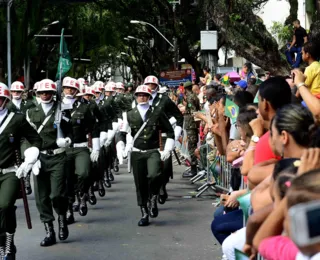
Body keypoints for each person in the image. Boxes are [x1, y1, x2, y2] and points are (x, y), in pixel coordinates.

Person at [26, 79, 73, 247]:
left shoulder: (62, 110)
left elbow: (70, 132)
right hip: (39, 157)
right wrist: (29, 155)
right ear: (37, 94)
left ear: (54, 94)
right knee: (41, 197)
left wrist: (66, 140)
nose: (45, 95)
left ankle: (61, 216)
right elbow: (26, 137)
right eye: (42, 92)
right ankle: (49, 230)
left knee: (57, 194)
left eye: (48, 92)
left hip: (58, 156)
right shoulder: (31, 112)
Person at [0, 82, 42, 259]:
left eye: (0, 98)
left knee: (4, 205)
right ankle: (4, 242)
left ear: (5, 100)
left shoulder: (16, 119)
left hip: (10, 170)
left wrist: (30, 159)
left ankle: (8, 243)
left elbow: (36, 139)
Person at [124, 85, 174, 226]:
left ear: (149, 97)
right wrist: (123, 146)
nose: (142, 97)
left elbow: (170, 131)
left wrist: (167, 149)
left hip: (152, 150)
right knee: (140, 183)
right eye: (139, 95)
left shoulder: (157, 112)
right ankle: (144, 211)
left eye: (145, 95)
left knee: (155, 174)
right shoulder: (129, 114)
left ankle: (153, 196)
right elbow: (124, 132)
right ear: (136, 96)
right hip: (137, 151)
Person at [62, 77, 99, 222]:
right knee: (66, 180)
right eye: (66, 88)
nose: (69, 91)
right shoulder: (58, 107)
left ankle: (82, 194)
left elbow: (93, 128)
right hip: (63, 149)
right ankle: (69, 209)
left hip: (80, 147)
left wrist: (95, 147)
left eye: (72, 88)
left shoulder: (85, 108)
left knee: (83, 173)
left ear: (77, 91)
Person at [143, 75, 183, 204]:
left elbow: (178, 116)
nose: (150, 87)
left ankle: (162, 186)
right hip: (146, 137)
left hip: (163, 136)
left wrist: (175, 132)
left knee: (165, 166)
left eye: (152, 85)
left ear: (156, 86)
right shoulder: (140, 99)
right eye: (148, 85)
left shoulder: (164, 100)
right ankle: (151, 189)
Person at [8, 81, 37, 195]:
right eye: (14, 91)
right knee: (15, 159)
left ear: (22, 92)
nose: (16, 93)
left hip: (25, 135)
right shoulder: (8, 105)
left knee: (26, 156)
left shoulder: (29, 104)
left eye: (18, 91)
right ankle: (18, 182)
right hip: (12, 135)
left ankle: (26, 179)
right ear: (11, 92)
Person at [182, 81, 200, 178]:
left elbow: (193, 111)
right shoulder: (194, 96)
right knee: (192, 145)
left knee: (191, 147)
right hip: (192, 124)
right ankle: (194, 167)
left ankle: (194, 169)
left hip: (191, 124)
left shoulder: (189, 97)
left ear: (185, 89)